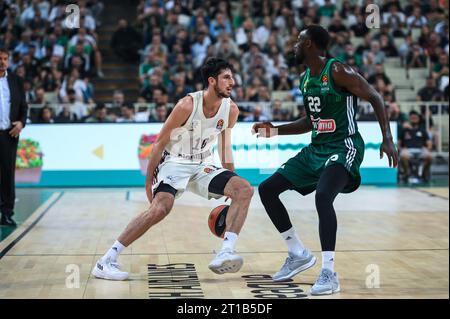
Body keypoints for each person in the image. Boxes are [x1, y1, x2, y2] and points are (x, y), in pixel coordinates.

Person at [253, 25, 398, 295]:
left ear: (309, 44)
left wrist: (387, 138)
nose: (294, 46)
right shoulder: (306, 78)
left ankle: (329, 272)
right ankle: (297, 253)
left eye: (298, 41)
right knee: (267, 189)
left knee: (323, 197)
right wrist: (274, 130)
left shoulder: (337, 71)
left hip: (344, 146)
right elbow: (310, 121)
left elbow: (375, 97)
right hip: (316, 148)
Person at [92, 58, 254, 280]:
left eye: (232, 77)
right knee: (160, 209)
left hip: (203, 164)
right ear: (211, 81)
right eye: (227, 77)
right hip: (174, 162)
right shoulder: (187, 105)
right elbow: (159, 142)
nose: (232, 82)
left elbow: (225, 147)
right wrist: (149, 182)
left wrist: (231, 179)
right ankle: (106, 261)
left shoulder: (231, 110)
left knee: (244, 190)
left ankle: (226, 251)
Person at [0, 48, 29, 226]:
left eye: (5, 59)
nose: (2, 62)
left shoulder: (16, 81)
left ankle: (7, 213)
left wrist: (21, 123)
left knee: (7, 175)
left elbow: (24, 107)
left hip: (8, 135)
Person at [398, 111, 433, 183]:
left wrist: (428, 148)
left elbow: (429, 143)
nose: (414, 119)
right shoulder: (404, 130)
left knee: (429, 156)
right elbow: (399, 142)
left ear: (418, 119)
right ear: (409, 119)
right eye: (412, 118)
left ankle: (424, 174)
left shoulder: (422, 130)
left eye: (415, 118)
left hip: (421, 149)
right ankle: (406, 173)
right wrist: (400, 148)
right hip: (407, 149)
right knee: (403, 156)